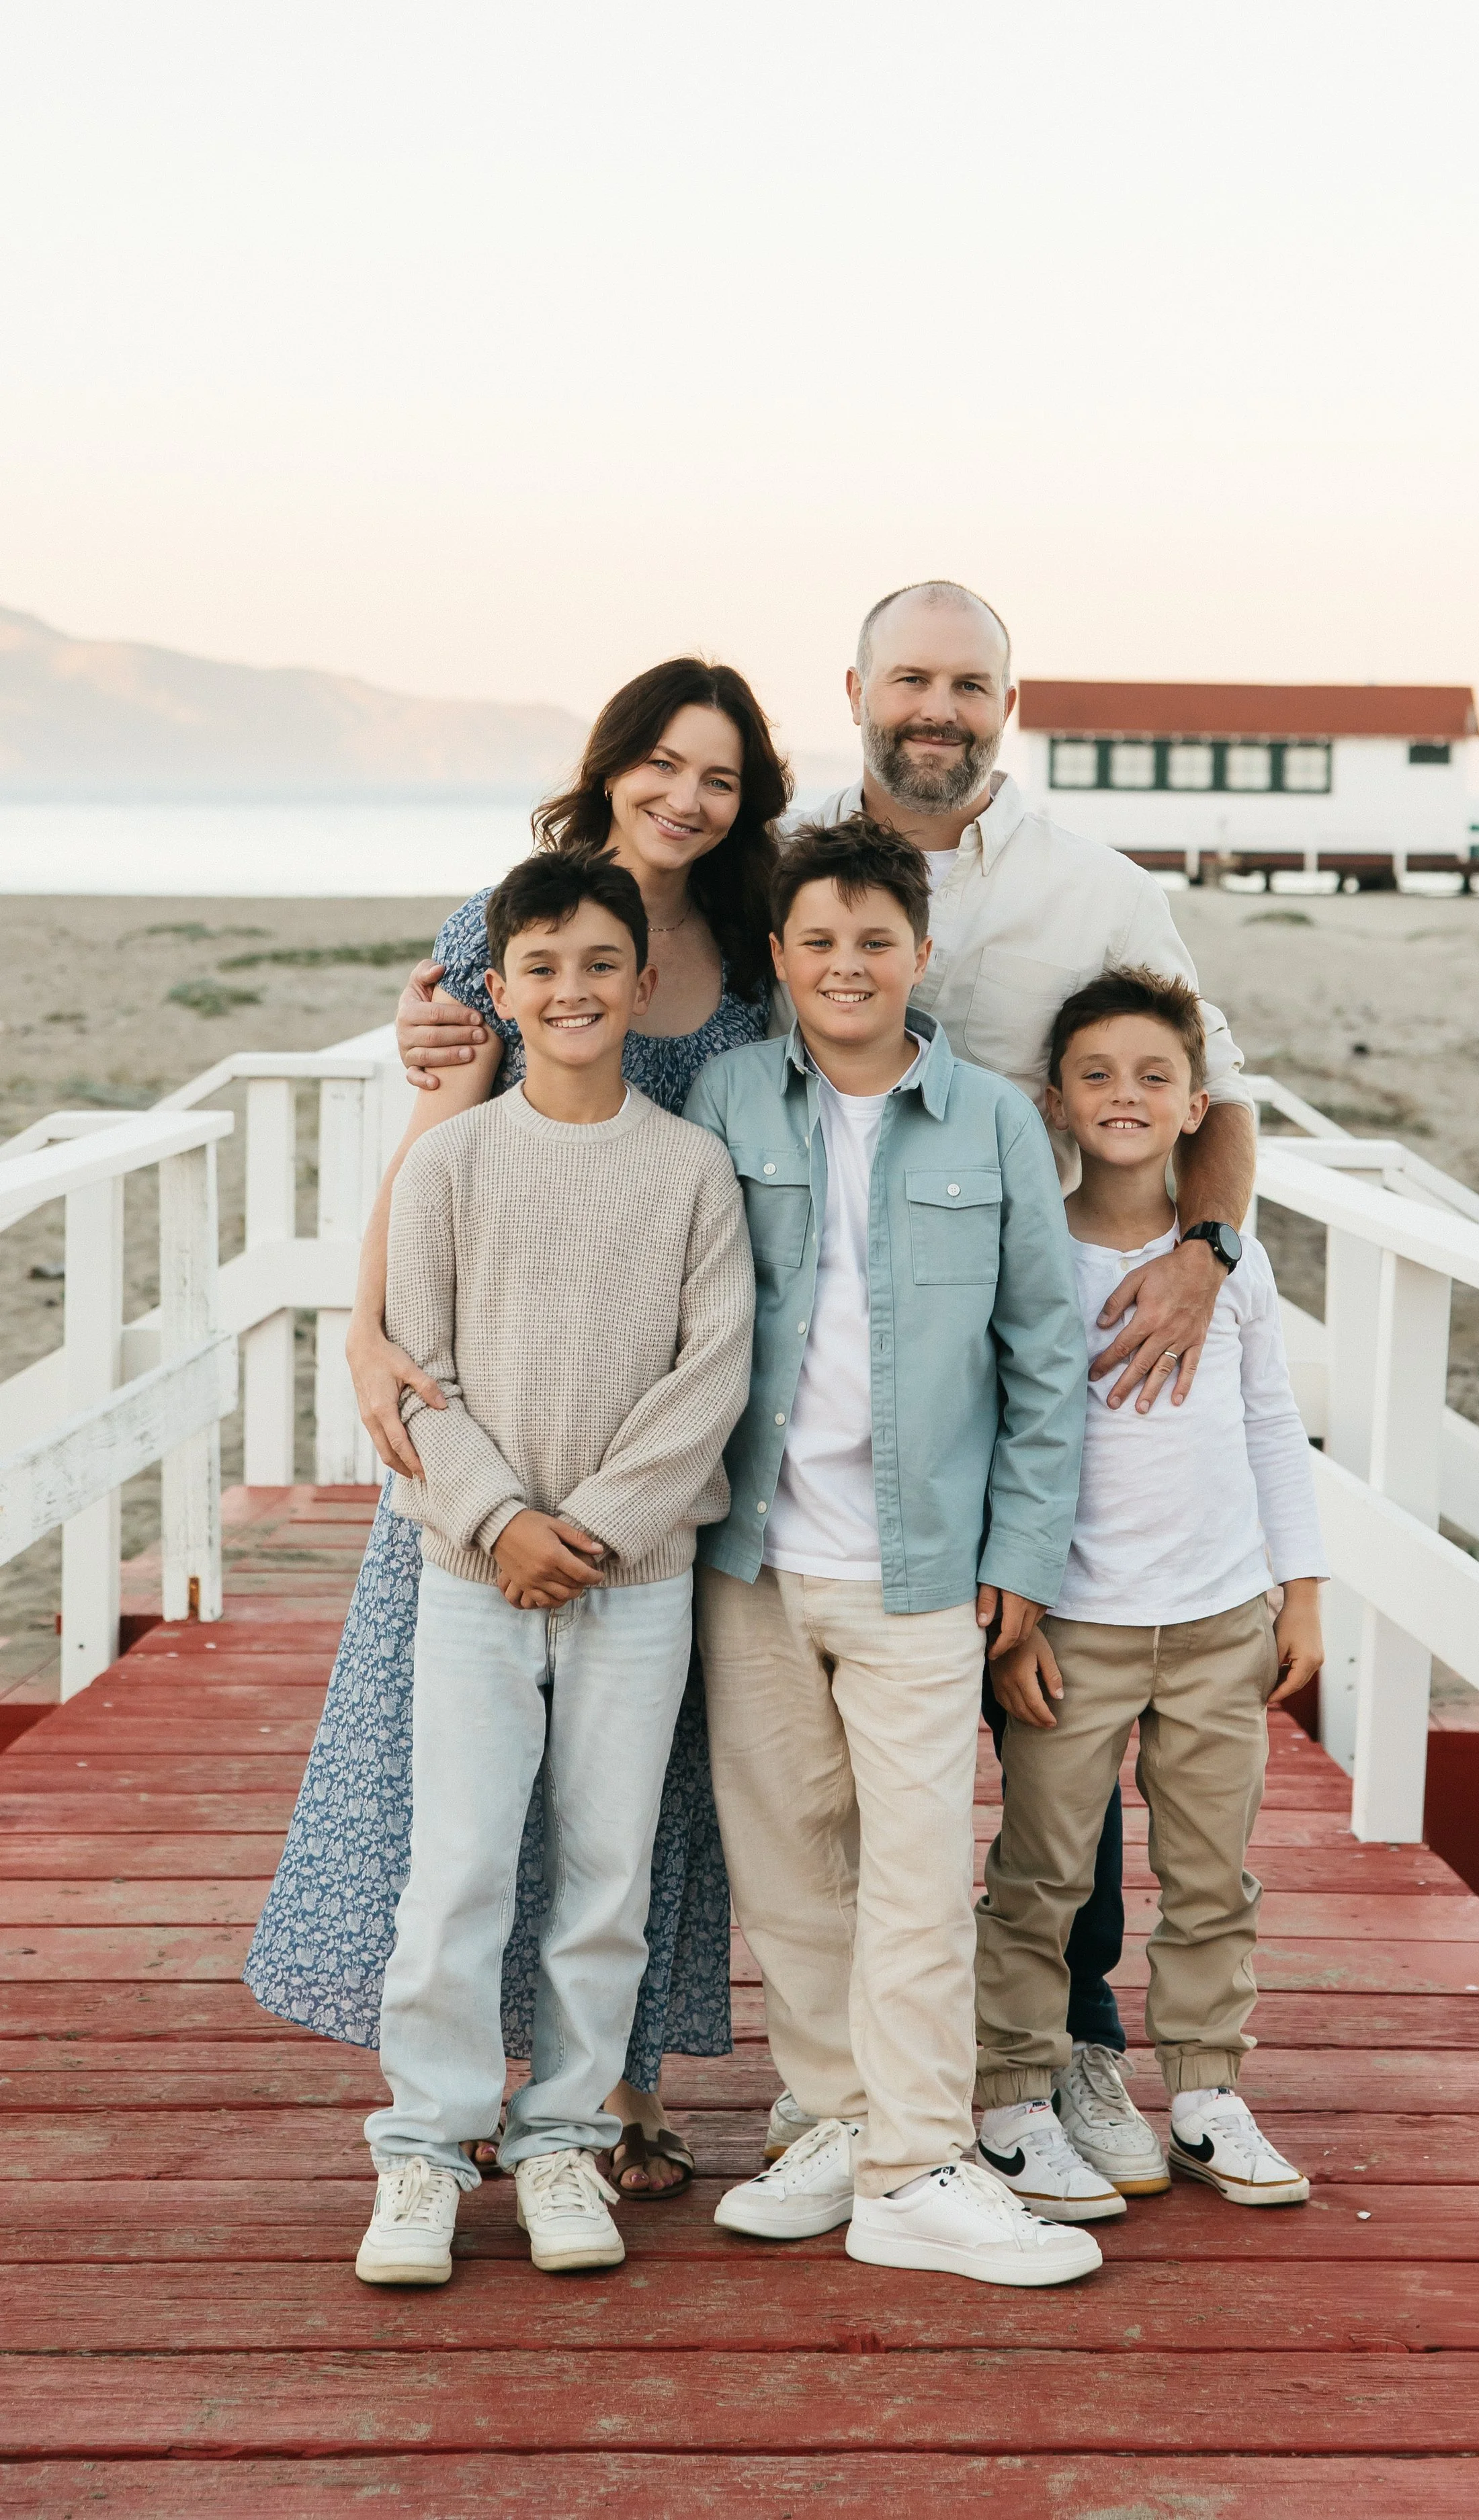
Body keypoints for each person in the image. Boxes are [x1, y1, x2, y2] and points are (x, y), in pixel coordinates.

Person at [396, 579, 1260, 2140]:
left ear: (1010, 699)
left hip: (979, 1423)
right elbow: (573, 1037)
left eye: (969, 683)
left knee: (1029, 1773)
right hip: (745, 1494)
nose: (938, 706)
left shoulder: (1097, 899)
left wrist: (1205, 1254)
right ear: (856, 689)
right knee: (763, 1824)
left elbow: (1220, 1096)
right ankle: (806, 2107)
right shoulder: (755, 914)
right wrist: (450, 1053)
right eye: (909, 678)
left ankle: (1031, 2063)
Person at [244, 659, 787, 2199]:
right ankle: (443, 2110)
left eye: (721, 778)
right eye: (664, 764)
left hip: (653, 1450)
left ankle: (607, 2098)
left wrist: (632, 1506)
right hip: (492, 1422)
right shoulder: (508, 931)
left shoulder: (753, 960)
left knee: (635, 1801)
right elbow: (435, 1158)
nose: (687, 798)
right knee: (466, 1808)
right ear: (611, 764)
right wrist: (367, 1335)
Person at [685, 815, 1099, 2289]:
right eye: (817, 942)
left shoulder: (989, 1118)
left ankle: (920, 2163)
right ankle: (839, 2119)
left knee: (917, 1871)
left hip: (919, 1568)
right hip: (748, 1558)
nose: (847, 965)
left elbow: (1046, 1357)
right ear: (779, 959)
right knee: (790, 1861)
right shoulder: (729, 1097)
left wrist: (1025, 1557)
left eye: (874, 940)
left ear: (920, 953)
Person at [355, 849, 753, 2285]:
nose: (572, 990)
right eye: (542, 968)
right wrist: (499, 1522)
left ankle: (563, 2141)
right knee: (457, 1867)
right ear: (501, 989)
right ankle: (420, 2149)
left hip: (634, 1581)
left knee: (606, 1871)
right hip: (474, 1576)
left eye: (599, 964)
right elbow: (416, 1364)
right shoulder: (454, 1160)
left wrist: (590, 1528)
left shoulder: (691, 1168)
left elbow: (711, 1374)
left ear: (643, 986)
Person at [972, 969, 1326, 2220]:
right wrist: (1009, 1620)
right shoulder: (1031, 1255)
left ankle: (1207, 2091)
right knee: (1042, 1873)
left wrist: (1303, 1592)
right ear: (1056, 1103)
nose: (1126, 1095)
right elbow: (997, 1431)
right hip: (1075, 1626)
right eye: (1097, 1075)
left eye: (1155, 1076)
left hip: (1223, 1614)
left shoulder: (1234, 1257)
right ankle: (1014, 2095)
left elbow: (1274, 1423)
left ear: (1195, 1106)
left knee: (1212, 1872)